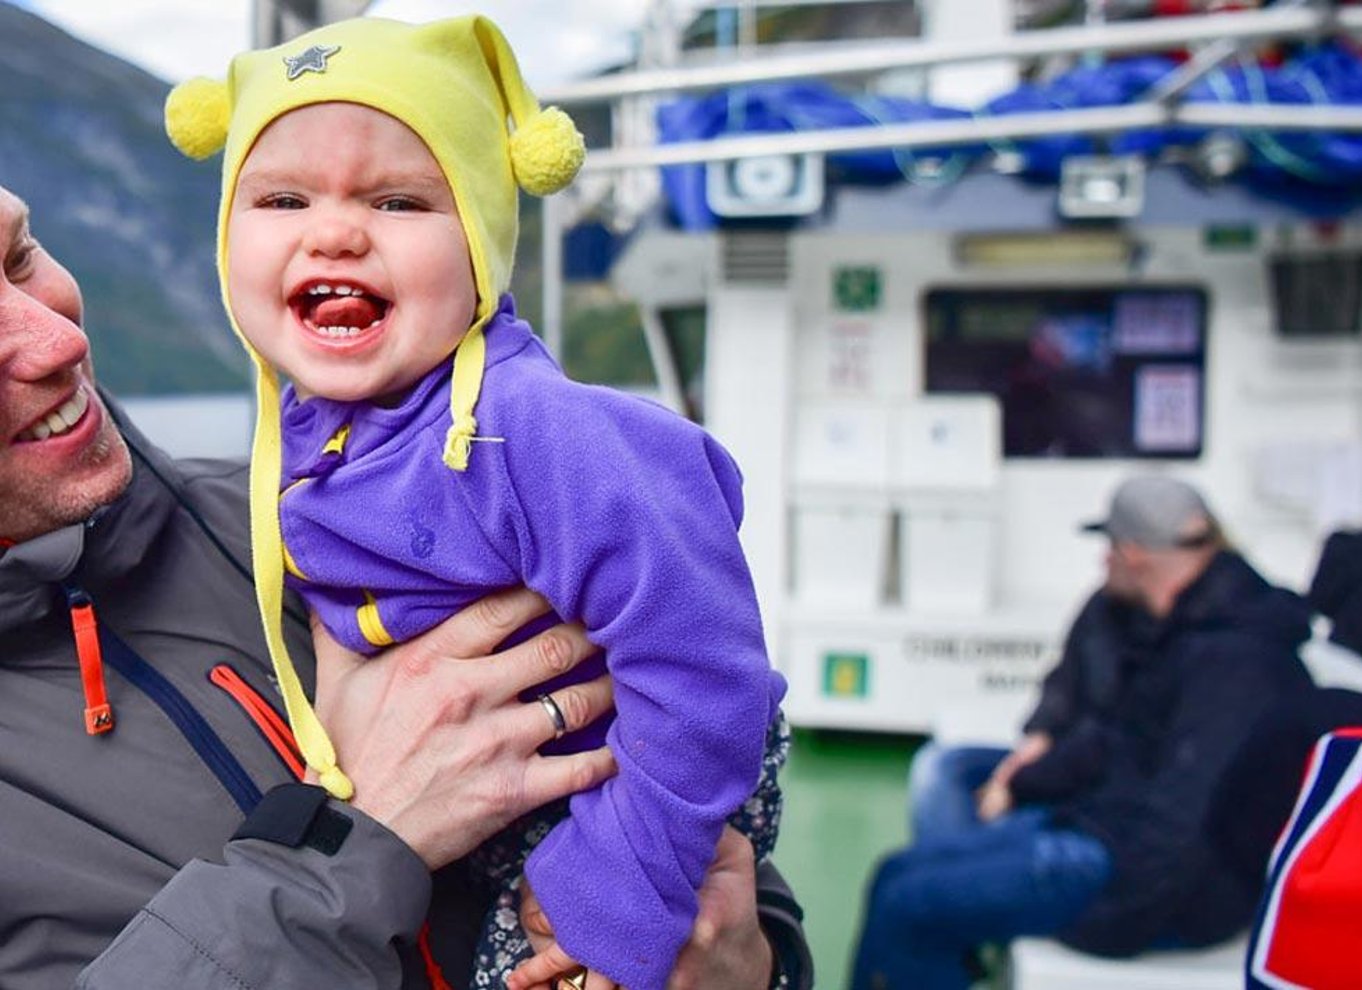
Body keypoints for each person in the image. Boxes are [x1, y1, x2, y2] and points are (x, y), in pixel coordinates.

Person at [0, 179, 811, 990]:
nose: (58, 341)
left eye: (20, 256)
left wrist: (752, 962)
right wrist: (349, 847)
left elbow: (706, 830)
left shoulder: (316, 520)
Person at [161, 15, 788, 990]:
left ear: (483, 247)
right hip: (512, 791)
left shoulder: (528, 427)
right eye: (282, 198)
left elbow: (705, 660)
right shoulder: (314, 432)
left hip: (637, 780)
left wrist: (621, 884)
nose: (334, 231)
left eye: (399, 201)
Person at [850, 474, 1315, 990]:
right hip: (1102, 823)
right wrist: (1033, 766)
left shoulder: (1233, 664)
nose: (1104, 559)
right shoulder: (1179, 624)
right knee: (895, 873)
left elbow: (1182, 827)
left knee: (908, 902)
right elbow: (1108, 732)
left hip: (1154, 888)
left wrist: (1105, 923)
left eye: (1110, 546)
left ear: (1133, 553)